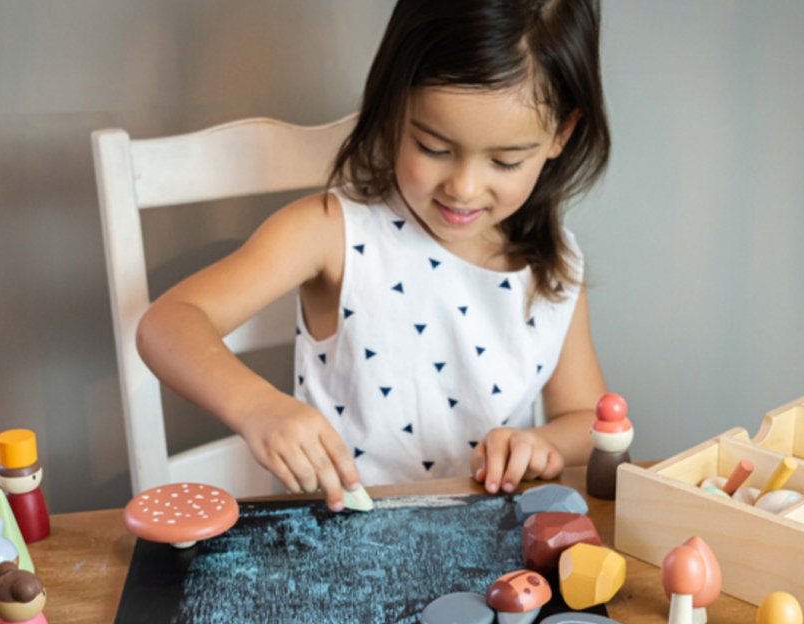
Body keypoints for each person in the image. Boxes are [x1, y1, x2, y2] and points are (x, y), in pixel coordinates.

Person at [137, 0, 611, 512]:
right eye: (433, 148)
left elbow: (588, 419)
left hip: (488, 547)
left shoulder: (555, 267)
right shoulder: (331, 232)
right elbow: (167, 323)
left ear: (561, 134)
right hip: (340, 541)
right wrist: (256, 406)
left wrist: (542, 444)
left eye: (505, 161)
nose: (464, 187)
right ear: (393, 110)